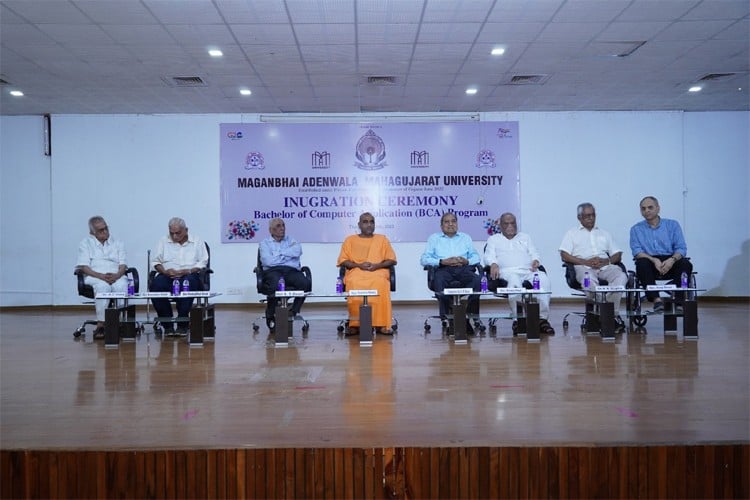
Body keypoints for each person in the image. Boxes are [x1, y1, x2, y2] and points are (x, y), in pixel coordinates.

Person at [559, 202, 627, 332]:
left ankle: (609, 313)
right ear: (579, 218)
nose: (591, 218)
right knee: (589, 280)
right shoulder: (572, 233)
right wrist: (584, 262)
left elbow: (617, 254)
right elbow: (564, 255)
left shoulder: (604, 233)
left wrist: (606, 261)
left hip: (604, 266)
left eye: (593, 215)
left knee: (621, 276)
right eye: (587, 216)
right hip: (582, 267)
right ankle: (608, 315)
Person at [484, 213, 555, 335]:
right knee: (514, 282)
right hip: (507, 272)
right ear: (500, 226)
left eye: (513, 223)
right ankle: (518, 320)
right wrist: (493, 264)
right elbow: (488, 256)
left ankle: (542, 319)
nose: (510, 226)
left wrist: (536, 261)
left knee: (544, 279)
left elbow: (535, 253)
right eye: (507, 223)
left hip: (528, 271)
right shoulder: (494, 239)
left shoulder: (525, 237)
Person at [420, 213, 482, 334]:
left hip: (463, 269)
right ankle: (448, 318)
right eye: (446, 222)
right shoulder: (434, 238)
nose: (450, 224)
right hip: (444, 270)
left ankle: (468, 315)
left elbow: (476, 257)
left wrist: (466, 261)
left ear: (457, 223)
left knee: (478, 281)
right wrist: (442, 261)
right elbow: (424, 259)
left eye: (453, 221)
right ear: (441, 225)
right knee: (439, 281)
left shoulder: (465, 237)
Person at [336, 212, 397, 335]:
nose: (369, 225)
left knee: (381, 283)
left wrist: (376, 266)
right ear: (359, 225)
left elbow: (392, 260)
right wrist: (359, 265)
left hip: (378, 271)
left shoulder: (382, 239)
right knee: (353, 282)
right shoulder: (350, 240)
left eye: (371, 222)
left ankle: (382, 325)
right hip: (357, 271)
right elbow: (343, 260)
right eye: (365, 222)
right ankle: (355, 324)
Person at [629, 196, 693, 311]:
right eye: (643, 208)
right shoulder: (636, 229)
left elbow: (681, 248)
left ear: (658, 208)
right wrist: (654, 260)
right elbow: (637, 251)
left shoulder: (672, 225)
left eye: (650, 207)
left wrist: (671, 260)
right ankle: (656, 300)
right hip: (649, 261)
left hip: (670, 259)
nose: (646, 210)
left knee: (685, 264)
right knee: (641, 263)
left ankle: (678, 300)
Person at [150, 217, 209, 334]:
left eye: (178, 233)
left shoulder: (197, 241)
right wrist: (164, 271)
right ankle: (167, 324)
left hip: (189, 274)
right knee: (156, 285)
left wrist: (188, 270)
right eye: (172, 233)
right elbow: (155, 262)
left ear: (186, 230)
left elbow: (203, 262)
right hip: (168, 275)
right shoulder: (163, 241)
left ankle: (183, 323)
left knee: (187, 284)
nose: (175, 236)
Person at [76, 216, 129, 339]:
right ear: (92, 232)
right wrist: (100, 276)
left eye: (106, 228)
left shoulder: (118, 242)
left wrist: (116, 275)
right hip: (95, 275)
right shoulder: (85, 243)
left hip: (116, 275)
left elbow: (123, 265)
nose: (105, 232)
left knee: (122, 285)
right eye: (100, 230)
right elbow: (83, 267)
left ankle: (120, 322)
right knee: (102, 287)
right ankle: (101, 324)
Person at [259, 218, 312, 329]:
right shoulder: (264, 243)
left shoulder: (291, 240)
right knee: (275, 285)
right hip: (273, 271)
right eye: (278, 226)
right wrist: (288, 256)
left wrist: (278, 254)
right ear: (271, 230)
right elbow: (268, 261)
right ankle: (271, 312)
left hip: (291, 271)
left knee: (305, 283)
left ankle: (293, 311)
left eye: (283, 225)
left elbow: (297, 251)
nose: (282, 228)